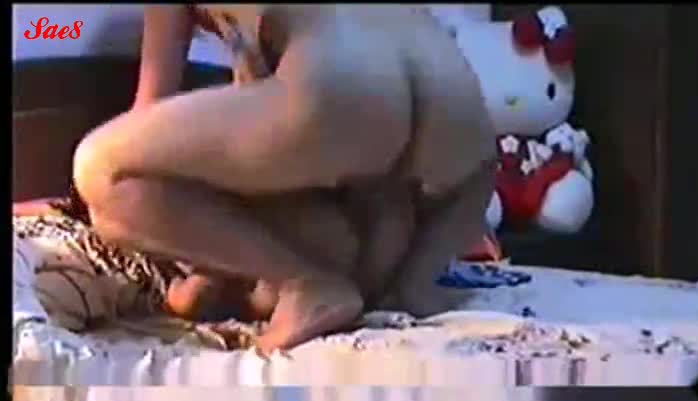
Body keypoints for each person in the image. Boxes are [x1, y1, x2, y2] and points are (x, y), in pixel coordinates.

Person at [71, 5, 497, 353]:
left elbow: (151, 114)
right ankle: (410, 287)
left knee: (104, 171)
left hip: (343, 80)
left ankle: (306, 284)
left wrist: (71, 204)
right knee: (348, 259)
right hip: (462, 117)